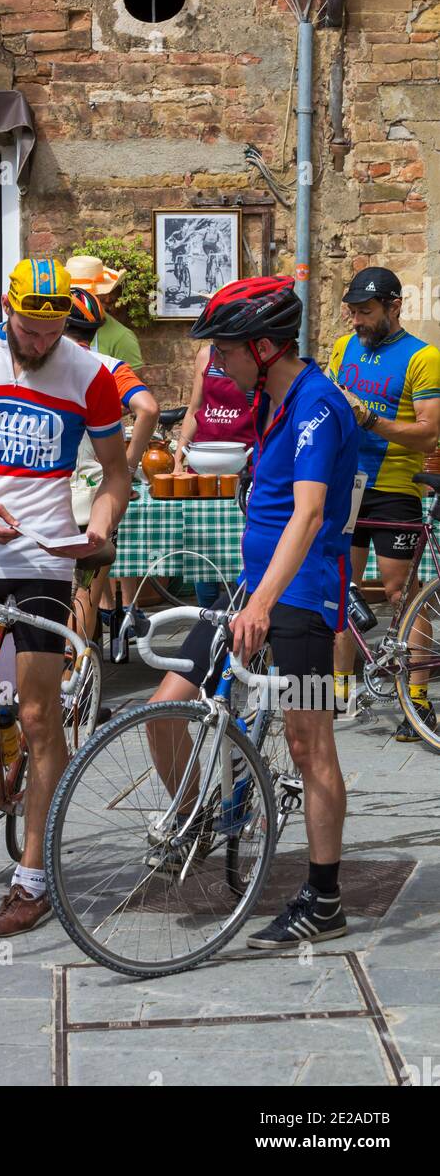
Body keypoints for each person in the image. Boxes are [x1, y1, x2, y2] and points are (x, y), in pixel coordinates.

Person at [0, 256, 131, 937]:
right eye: (28, 329)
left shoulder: (89, 375)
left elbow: (115, 474)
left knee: (41, 718)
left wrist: (96, 528)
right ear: (5, 310)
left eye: (52, 330)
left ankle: (31, 877)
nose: (39, 343)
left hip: (44, 561)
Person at [145, 275, 360, 949]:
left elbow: (311, 512)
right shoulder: (271, 401)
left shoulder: (317, 405)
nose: (218, 365)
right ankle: (196, 819)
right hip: (253, 586)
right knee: (165, 702)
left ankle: (324, 900)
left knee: (308, 741)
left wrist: (264, 602)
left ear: (264, 346)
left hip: (301, 599)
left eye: (227, 351)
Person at [327, 267, 440, 740]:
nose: (356, 320)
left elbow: (429, 431)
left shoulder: (423, 357)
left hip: (393, 486)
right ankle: (336, 694)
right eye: (352, 310)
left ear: (394, 307)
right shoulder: (343, 346)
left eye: (366, 311)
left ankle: (415, 701)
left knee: (402, 594)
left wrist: (371, 421)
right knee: (339, 590)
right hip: (345, 482)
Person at [65, 287, 159, 640]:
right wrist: (127, 467)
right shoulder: (108, 367)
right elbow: (148, 408)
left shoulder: (42, 365)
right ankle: (77, 680)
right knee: (86, 594)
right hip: (95, 496)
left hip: (46, 494)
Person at [174, 340, 256, 605]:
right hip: (204, 459)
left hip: (244, 460)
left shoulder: (253, 355)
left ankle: (241, 612)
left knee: (243, 542)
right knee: (202, 542)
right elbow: (195, 407)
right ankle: (207, 617)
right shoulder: (205, 356)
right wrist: (180, 454)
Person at [63, 255, 144, 369]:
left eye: (80, 294)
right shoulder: (49, 329)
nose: (75, 299)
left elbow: (131, 384)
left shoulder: (122, 338)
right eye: (70, 293)